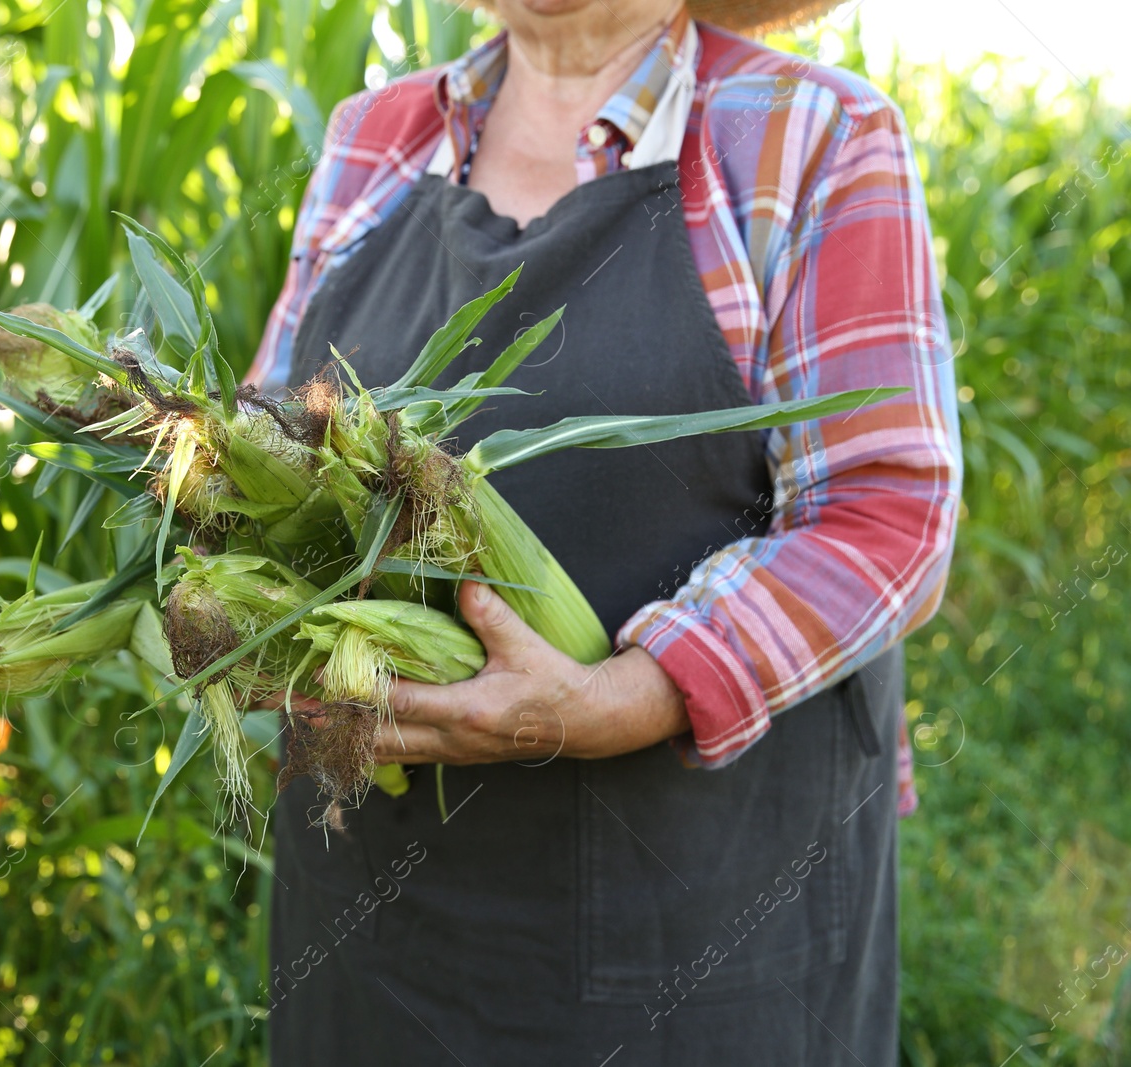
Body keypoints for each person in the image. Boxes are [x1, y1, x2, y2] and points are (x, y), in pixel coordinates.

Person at [245, 0, 961, 1062]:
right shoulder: (372, 135)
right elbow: (272, 448)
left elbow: (884, 512)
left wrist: (619, 698)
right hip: (372, 925)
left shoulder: (812, 135)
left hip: (696, 931)